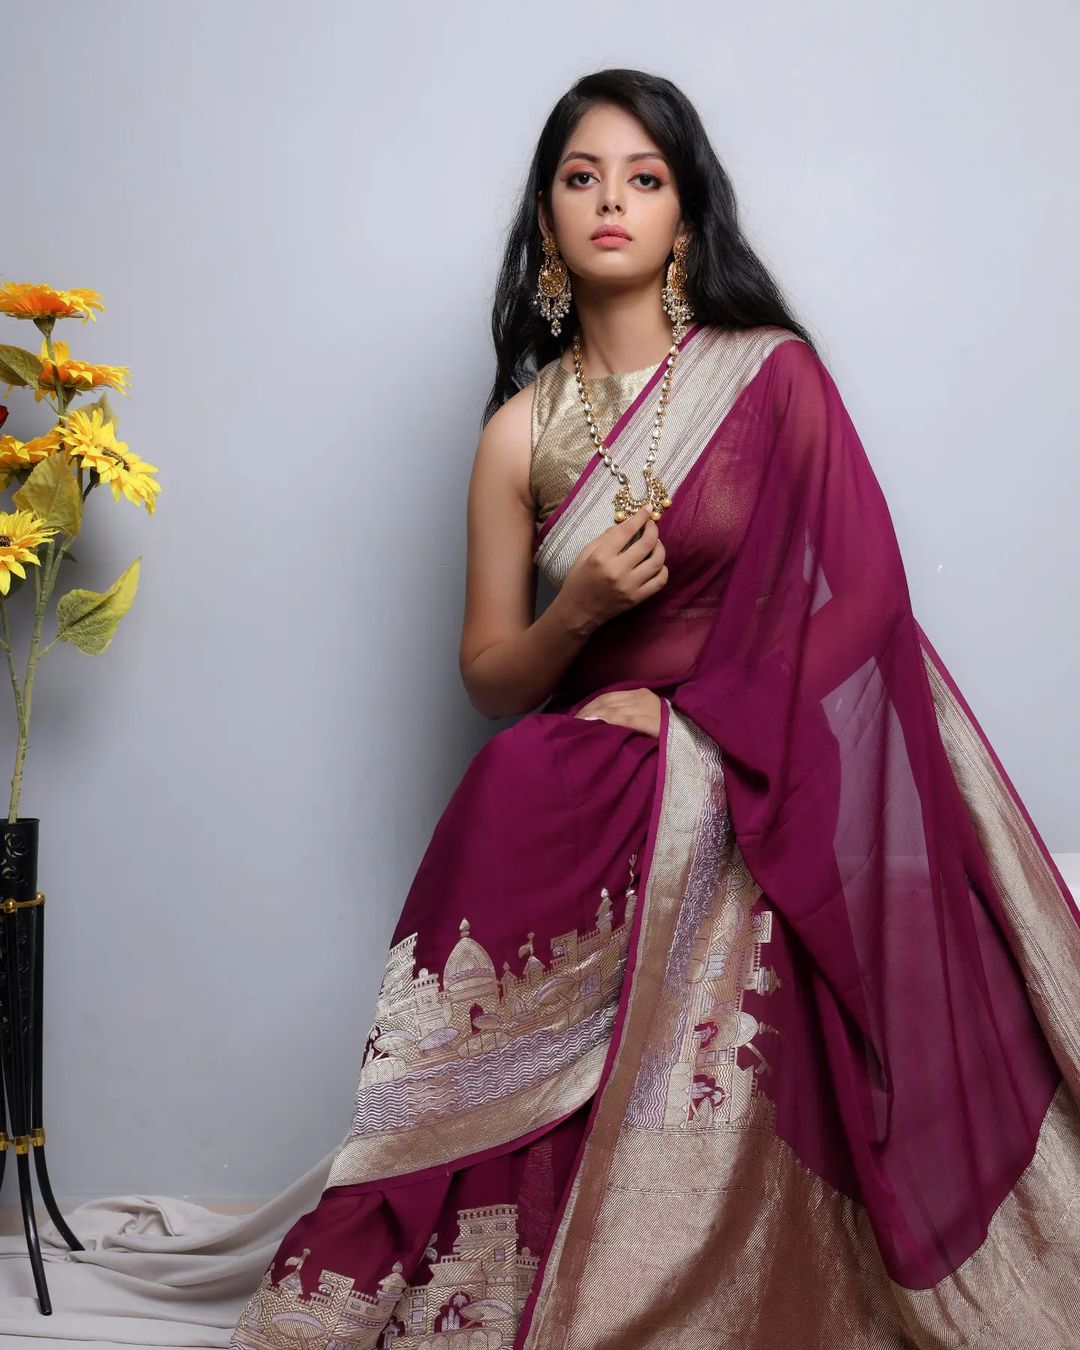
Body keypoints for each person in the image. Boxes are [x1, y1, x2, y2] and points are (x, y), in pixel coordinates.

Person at [230, 69, 1079, 1350]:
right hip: (586, 763)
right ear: (548, 219)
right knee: (512, 778)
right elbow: (490, 674)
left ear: (685, 217)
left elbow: (867, 603)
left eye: (644, 177)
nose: (611, 200)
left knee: (582, 792)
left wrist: (701, 732)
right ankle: (432, 1232)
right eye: (582, 178)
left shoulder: (770, 376)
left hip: (749, 757)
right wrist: (577, 622)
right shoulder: (519, 434)